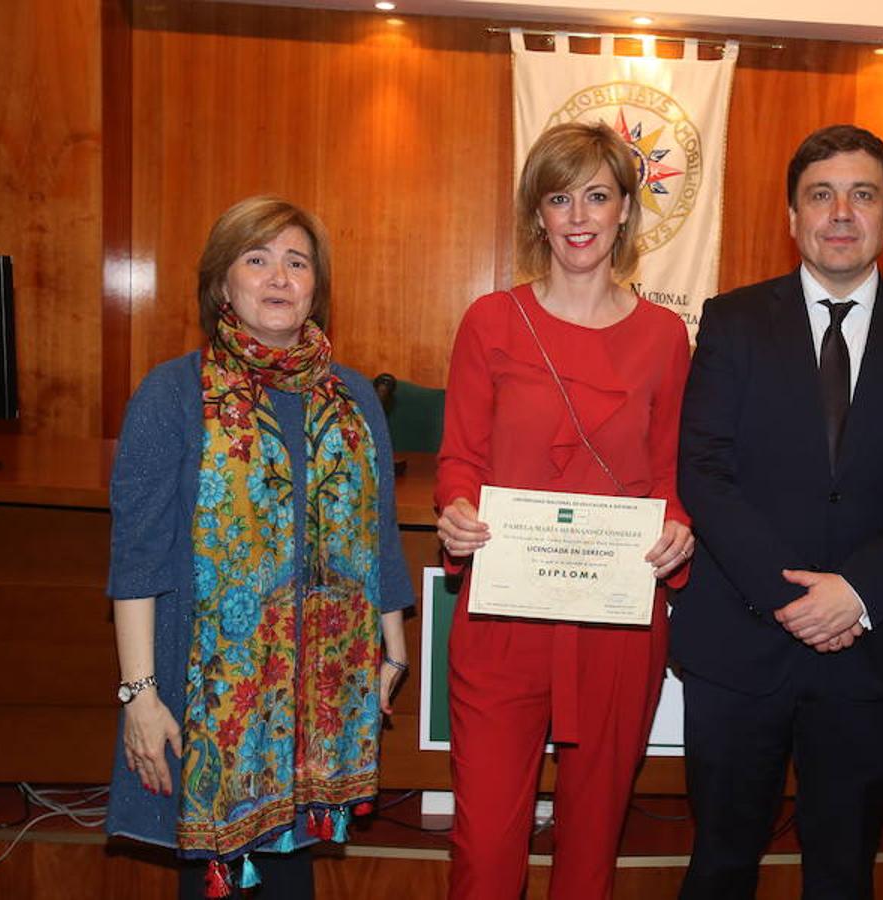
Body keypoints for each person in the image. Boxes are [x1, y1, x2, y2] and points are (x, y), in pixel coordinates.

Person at [672, 124, 883, 899]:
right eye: (821, 195)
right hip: (741, 645)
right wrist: (788, 597)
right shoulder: (732, 321)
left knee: (844, 873)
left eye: (863, 194)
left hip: (871, 654)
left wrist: (856, 593)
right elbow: (703, 471)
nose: (841, 212)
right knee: (719, 866)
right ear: (791, 217)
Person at [106, 196, 414, 899]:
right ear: (222, 284)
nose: (279, 277)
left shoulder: (356, 397)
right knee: (216, 877)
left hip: (323, 695)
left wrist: (392, 650)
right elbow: (137, 560)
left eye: (296, 262)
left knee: (291, 874)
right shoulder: (174, 393)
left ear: (315, 288)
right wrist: (141, 697)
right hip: (207, 692)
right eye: (258, 258)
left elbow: (379, 533)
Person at [434, 121, 694, 900]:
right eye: (559, 198)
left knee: (589, 850)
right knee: (484, 847)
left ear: (624, 212)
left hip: (615, 624)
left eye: (597, 196)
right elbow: (460, 457)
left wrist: (680, 524)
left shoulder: (665, 337)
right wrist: (454, 509)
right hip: (504, 623)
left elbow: (677, 468)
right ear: (537, 215)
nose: (578, 217)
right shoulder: (491, 322)